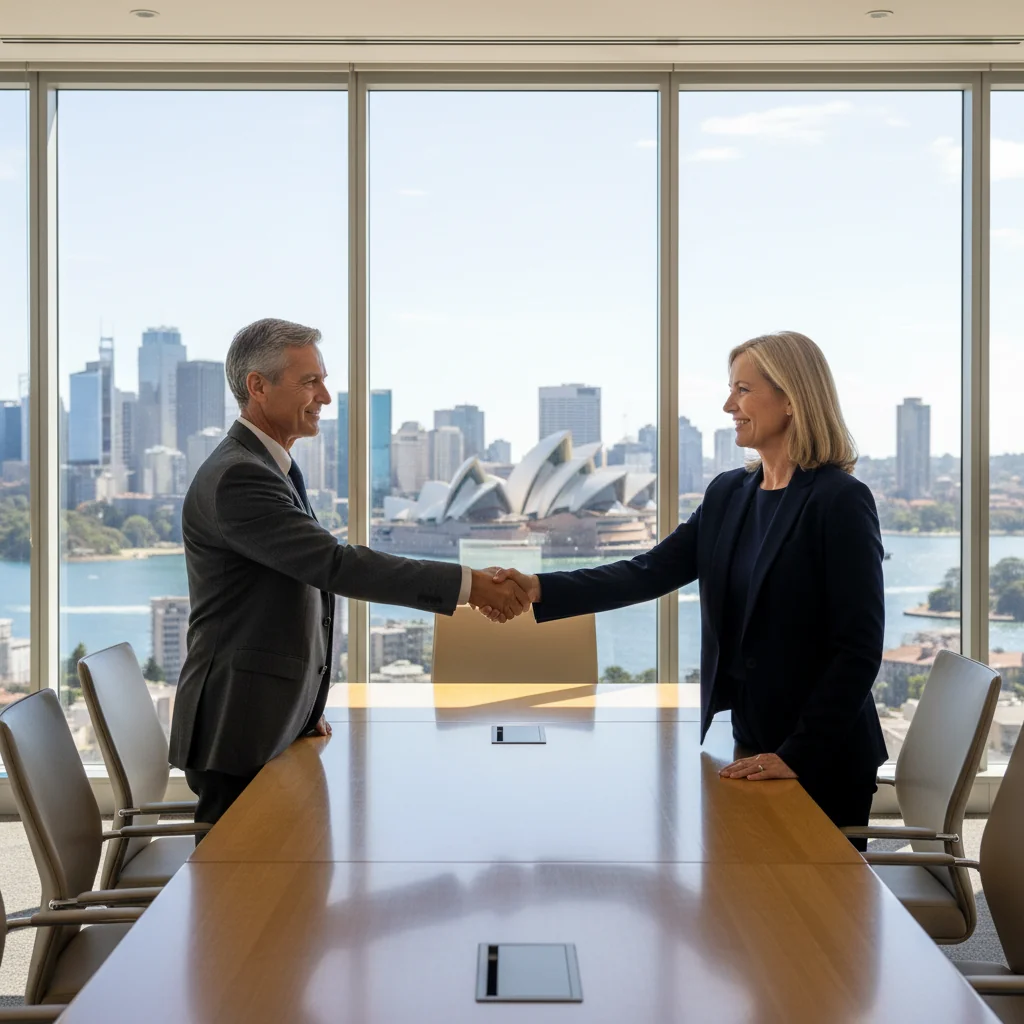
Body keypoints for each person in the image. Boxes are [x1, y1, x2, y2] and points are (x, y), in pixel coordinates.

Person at [487, 331, 887, 844]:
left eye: (742, 390)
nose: (729, 405)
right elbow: (648, 571)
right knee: (740, 904)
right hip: (748, 744)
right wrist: (538, 586)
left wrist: (797, 754)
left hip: (820, 758)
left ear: (791, 399)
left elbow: (857, 648)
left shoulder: (840, 500)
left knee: (812, 916)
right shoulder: (729, 494)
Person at [169, 318, 529, 830]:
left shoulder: (269, 465)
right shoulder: (239, 476)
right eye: (309, 381)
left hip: (265, 718)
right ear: (257, 386)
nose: (326, 397)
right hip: (240, 727)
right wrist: (470, 586)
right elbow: (334, 565)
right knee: (240, 900)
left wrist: (297, 709)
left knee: (291, 892)